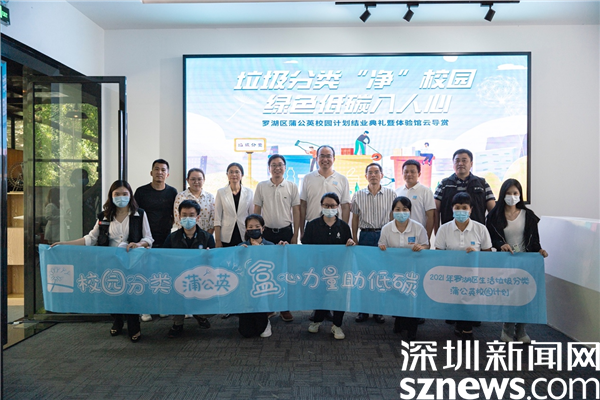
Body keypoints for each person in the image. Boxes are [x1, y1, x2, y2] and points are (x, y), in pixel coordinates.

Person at [51, 180, 153, 342]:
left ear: (130, 195)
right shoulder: (104, 216)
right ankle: (117, 321)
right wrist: (64, 244)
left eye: (124, 194)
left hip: (132, 262)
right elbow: (90, 238)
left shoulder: (139, 214)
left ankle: (134, 326)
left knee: (131, 294)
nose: (121, 197)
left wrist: (139, 244)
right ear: (111, 196)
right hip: (110, 262)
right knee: (112, 293)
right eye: (117, 194)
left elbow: (148, 238)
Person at [485, 178, 548, 344]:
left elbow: (535, 240)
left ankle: (521, 330)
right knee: (509, 297)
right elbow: (490, 239)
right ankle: (507, 329)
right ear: (502, 194)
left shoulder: (529, 216)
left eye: (515, 193)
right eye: (508, 193)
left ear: (520, 195)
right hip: (505, 262)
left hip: (526, 262)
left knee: (525, 297)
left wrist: (540, 250)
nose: (512, 196)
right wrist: (501, 245)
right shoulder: (494, 216)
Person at [435, 192, 492, 340]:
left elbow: (487, 254)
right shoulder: (444, 229)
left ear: (471, 209)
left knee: (468, 299)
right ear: (452, 209)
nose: (461, 210)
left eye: (464, 207)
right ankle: (460, 322)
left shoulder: (480, 229)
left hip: (473, 275)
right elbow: (439, 254)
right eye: (457, 207)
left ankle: (466, 328)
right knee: (455, 300)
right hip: (451, 275)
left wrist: (476, 254)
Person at [254, 154, 301, 322]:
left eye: (280, 165)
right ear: (269, 168)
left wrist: (296, 235)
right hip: (266, 234)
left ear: (285, 167)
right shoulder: (261, 186)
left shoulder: (292, 186)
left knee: (285, 271)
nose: (277, 168)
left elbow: (296, 211)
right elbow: (257, 211)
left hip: (286, 232)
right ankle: (269, 307)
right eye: (273, 165)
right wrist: (256, 234)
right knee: (267, 271)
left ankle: (284, 307)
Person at [302, 192, 356, 340]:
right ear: (321, 206)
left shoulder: (343, 226)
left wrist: (350, 243)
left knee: (339, 296)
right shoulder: (312, 225)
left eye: (332, 206)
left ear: (338, 206)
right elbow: (305, 247)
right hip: (318, 268)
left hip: (339, 268)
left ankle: (337, 325)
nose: (329, 208)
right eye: (326, 205)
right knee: (320, 295)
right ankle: (317, 321)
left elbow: (349, 243)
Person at [378, 196, 430, 341]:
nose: (401, 212)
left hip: (413, 269)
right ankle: (399, 321)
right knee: (398, 296)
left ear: (410, 211)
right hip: (395, 269)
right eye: (398, 209)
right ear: (393, 211)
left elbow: (427, 245)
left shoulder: (418, 227)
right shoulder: (387, 228)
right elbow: (381, 245)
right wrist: (382, 247)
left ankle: (412, 328)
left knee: (412, 298)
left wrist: (421, 247)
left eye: (405, 209)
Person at [162, 200, 215, 338]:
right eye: (184, 215)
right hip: (178, 277)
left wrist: (209, 256)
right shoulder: (172, 238)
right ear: (179, 217)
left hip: (200, 278)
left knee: (208, 298)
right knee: (176, 291)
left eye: (191, 215)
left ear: (198, 217)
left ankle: (200, 315)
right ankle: (178, 323)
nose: (187, 218)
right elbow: (163, 258)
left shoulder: (207, 237)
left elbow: (214, 262)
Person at [351, 162, 396, 324]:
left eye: (376, 172)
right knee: (365, 274)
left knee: (381, 275)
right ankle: (363, 311)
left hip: (383, 235)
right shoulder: (358, 195)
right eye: (370, 172)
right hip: (365, 236)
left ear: (382, 175)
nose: (373, 175)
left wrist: (391, 239)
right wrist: (354, 238)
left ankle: (378, 310)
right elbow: (355, 218)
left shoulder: (391, 194)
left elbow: (393, 218)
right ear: (366, 176)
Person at [134, 159, 178, 322]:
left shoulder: (172, 192)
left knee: (161, 274)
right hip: (145, 239)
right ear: (151, 172)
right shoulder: (141, 192)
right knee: (144, 273)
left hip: (165, 239)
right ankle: (145, 308)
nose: (160, 172)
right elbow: (135, 215)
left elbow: (175, 215)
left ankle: (160, 306)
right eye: (157, 169)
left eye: (163, 170)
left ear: (168, 174)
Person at [236, 214, 282, 338]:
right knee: (246, 332)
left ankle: (266, 320)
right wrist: (240, 254)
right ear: (246, 229)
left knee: (261, 329)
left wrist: (282, 248)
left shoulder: (270, 246)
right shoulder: (241, 246)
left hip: (264, 289)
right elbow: (235, 266)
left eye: (257, 226)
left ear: (263, 228)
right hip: (246, 291)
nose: (254, 229)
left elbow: (277, 264)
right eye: (250, 227)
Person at [434, 149, 496, 230]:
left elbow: (493, 210)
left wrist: (488, 231)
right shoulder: (444, 184)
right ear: (453, 164)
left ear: (471, 164)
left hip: (476, 232)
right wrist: (437, 231)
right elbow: (435, 211)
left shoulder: (482, 184)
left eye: (464, 160)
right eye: (457, 161)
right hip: (449, 232)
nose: (460, 163)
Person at [300, 145, 351, 235]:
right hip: (313, 228)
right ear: (317, 158)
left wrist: (344, 230)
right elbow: (303, 205)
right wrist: (302, 231)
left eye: (328, 156)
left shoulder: (342, 179)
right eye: (322, 156)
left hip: (335, 228)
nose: (325, 159)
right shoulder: (307, 178)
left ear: (334, 159)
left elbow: (345, 207)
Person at [214, 162, 254, 248]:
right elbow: (217, 218)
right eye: (231, 172)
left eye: (237, 172)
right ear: (227, 175)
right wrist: (217, 240)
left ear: (242, 175)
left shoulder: (249, 192)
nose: (234, 174)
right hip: (226, 235)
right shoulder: (221, 192)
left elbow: (252, 216)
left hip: (244, 233)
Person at [395, 159, 436, 239]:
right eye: (406, 172)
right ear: (402, 173)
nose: (409, 174)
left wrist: (426, 238)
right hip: (399, 236)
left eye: (412, 172)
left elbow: (430, 217)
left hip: (418, 235)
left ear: (419, 174)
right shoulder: (397, 192)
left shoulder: (426, 191)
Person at [173, 168, 215, 234]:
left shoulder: (210, 197)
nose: (196, 182)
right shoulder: (180, 196)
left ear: (204, 180)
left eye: (199, 179)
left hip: (206, 235)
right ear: (187, 180)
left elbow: (213, 218)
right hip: (185, 236)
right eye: (193, 179)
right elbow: (177, 218)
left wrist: (207, 236)